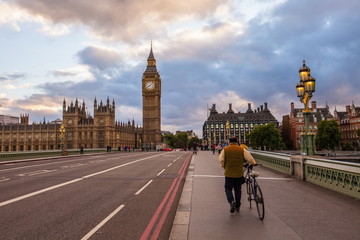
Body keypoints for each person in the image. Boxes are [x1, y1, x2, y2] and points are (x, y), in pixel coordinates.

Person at [218, 137, 256, 214]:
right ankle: (238, 205)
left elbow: (221, 159)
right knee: (238, 190)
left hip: (228, 173)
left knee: (228, 189)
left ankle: (231, 201)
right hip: (239, 173)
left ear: (229, 142)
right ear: (237, 142)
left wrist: (224, 166)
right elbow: (249, 158)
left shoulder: (225, 149)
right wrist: (253, 163)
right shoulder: (242, 149)